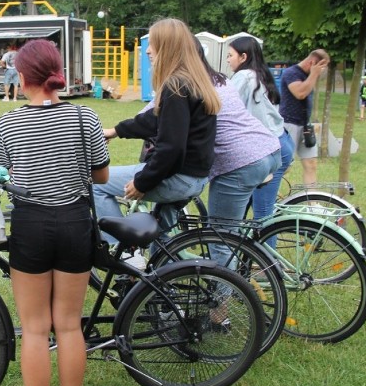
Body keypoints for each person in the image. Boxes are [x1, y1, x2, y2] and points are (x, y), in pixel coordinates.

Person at [0, 38, 109, 386]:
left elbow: (1, 172)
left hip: (31, 225)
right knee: (70, 327)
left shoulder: (8, 122)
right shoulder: (84, 117)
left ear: (22, 76)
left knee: (36, 329)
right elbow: (101, 174)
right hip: (75, 223)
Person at [92, 18, 219, 232]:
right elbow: (154, 118)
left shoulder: (176, 86)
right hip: (195, 176)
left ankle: (119, 251)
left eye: (153, 44)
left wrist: (143, 182)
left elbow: (171, 147)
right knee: (159, 239)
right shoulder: (193, 81)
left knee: (95, 183)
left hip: (180, 177)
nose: (148, 51)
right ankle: (165, 263)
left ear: (168, 47)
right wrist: (116, 131)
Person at [226, 36, 294, 220]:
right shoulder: (260, 74)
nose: (228, 59)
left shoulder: (244, 76)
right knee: (245, 210)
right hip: (280, 141)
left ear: (243, 57)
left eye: (230, 55)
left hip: (269, 147)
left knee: (263, 215)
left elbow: (224, 106)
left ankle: (265, 250)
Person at [278, 49, 330, 185]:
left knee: (311, 164)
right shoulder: (291, 73)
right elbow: (300, 93)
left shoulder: (309, 75)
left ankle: (312, 203)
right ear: (312, 62)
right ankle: (269, 199)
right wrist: (314, 74)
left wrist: (313, 75)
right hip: (288, 125)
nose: (323, 72)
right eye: (322, 67)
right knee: (283, 167)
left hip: (305, 125)